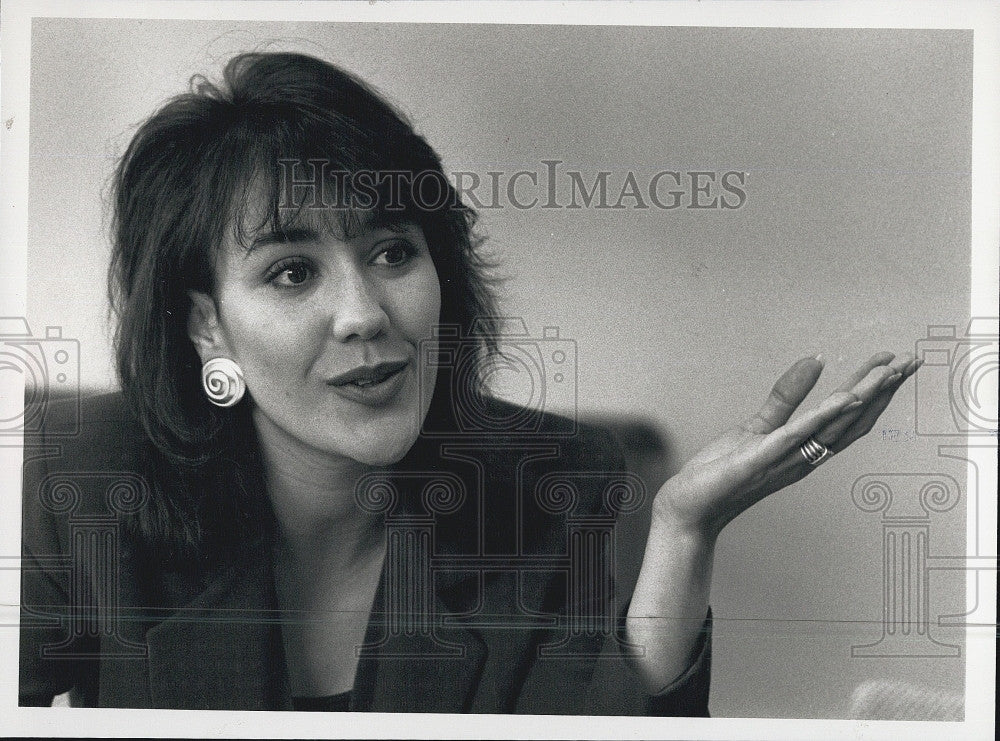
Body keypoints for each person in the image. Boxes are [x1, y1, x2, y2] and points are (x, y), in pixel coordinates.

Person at [19, 51, 921, 714]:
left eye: (392, 250)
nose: (366, 311)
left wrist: (683, 533)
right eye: (292, 272)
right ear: (205, 322)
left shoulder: (552, 482)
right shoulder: (87, 479)